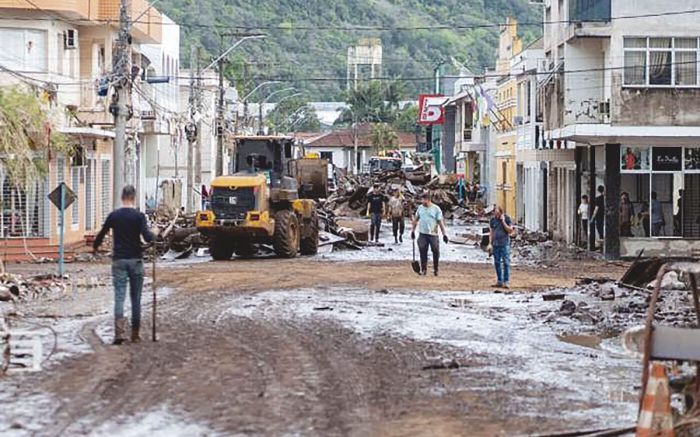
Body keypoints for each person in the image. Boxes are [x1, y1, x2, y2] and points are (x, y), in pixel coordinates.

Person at [93, 185, 155, 345]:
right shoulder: (139, 216)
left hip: (119, 260)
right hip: (136, 260)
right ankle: (135, 334)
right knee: (136, 299)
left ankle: (119, 333)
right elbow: (148, 238)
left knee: (119, 297)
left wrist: (95, 247)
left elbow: (101, 235)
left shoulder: (114, 216)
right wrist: (155, 235)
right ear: (133, 198)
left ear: (122, 197)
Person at [411, 193, 448, 276]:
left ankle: (436, 269)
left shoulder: (436, 209)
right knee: (422, 251)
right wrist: (413, 231)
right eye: (421, 199)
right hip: (422, 233)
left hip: (433, 234)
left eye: (424, 199)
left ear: (428, 199)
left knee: (435, 250)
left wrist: (444, 234)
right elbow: (416, 220)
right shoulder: (420, 208)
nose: (422, 201)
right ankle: (424, 269)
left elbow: (440, 222)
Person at [488, 206, 514, 289]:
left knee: (506, 263)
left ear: (501, 212)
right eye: (495, 212)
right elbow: (491, 232)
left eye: (497, 212)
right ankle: (499, 280)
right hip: (495, 244)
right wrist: (490, 243)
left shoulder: (507, 218)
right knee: (497, 263)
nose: (496, 214)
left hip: (504, 244)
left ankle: (506, 281)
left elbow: (510, 230)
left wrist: (503, 221)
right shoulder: (492, 220)